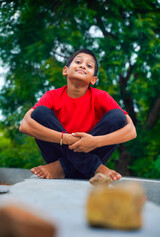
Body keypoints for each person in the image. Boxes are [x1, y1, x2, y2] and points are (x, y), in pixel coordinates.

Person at [19, 49, 137, 181]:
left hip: (92, 151)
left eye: (89, 65)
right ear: (65, 70)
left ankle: (61, 168)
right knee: (40, 112)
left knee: (117, 116)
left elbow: (131, 130)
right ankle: (94, 167)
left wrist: (95, 142)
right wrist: (67, 139)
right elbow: (25, 125)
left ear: (93, 79)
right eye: (78, 62)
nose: (82, 66)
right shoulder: (52, 96)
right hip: (60, 154)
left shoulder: (101, 97)